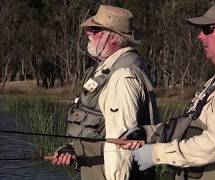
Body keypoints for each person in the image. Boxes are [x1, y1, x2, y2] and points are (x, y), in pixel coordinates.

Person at [121, 2, 215, 180]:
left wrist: (156, 153)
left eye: (208, 29)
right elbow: (194, 125)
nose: (200, 37)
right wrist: (146, 133)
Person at [51, 5, 159, 180]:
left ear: (113, 37)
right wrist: (74, 149)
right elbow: (101, 130)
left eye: (95, 30)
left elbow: (121, 146)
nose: (88, 33)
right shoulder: (105, 69)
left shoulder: (123, 75)